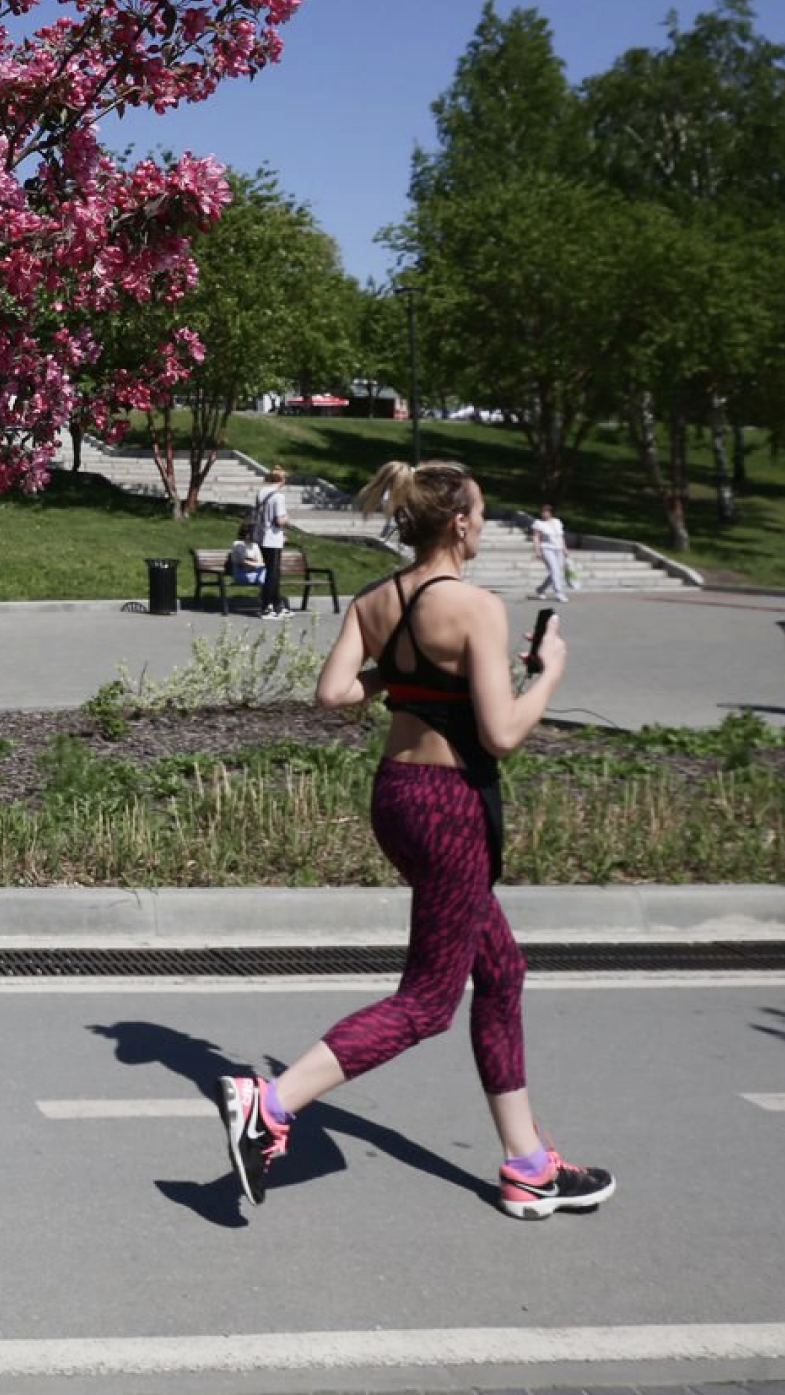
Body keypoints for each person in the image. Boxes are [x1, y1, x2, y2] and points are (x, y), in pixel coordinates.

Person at [216, 457, 615, 1220]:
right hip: (449, 806)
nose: (485, 526)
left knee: (501, 972)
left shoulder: (375, 600)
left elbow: (334, 692)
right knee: (428, 1002)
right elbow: (501, 735)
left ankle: (528, 1165)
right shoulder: (476, 607)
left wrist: (400, 680)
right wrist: (549, 675)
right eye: (483, 514)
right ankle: (271, 1103)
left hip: (396, 797)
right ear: (459, 523)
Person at [253, 466, 292, 619]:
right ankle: (267, 606)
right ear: (281, 480)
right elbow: (279, 520)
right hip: (273, 539)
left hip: (261, 536)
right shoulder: (278, 497)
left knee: (271, 572)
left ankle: (276, 604)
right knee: (273, 573)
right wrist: (287, 518)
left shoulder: (261, 492)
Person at [531, 503, 569, 603]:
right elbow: (536, 537)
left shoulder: (557, 522)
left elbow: (561, 536)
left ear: (551, 513)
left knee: (557, 571)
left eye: (546, 512)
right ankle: (559, 593)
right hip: (547, 549)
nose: (544, 514)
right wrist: (537, 550)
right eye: (543, 512)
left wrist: (565, 548)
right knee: (554, 570)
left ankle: (541, 589)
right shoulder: (538, 523)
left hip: (559, 549)